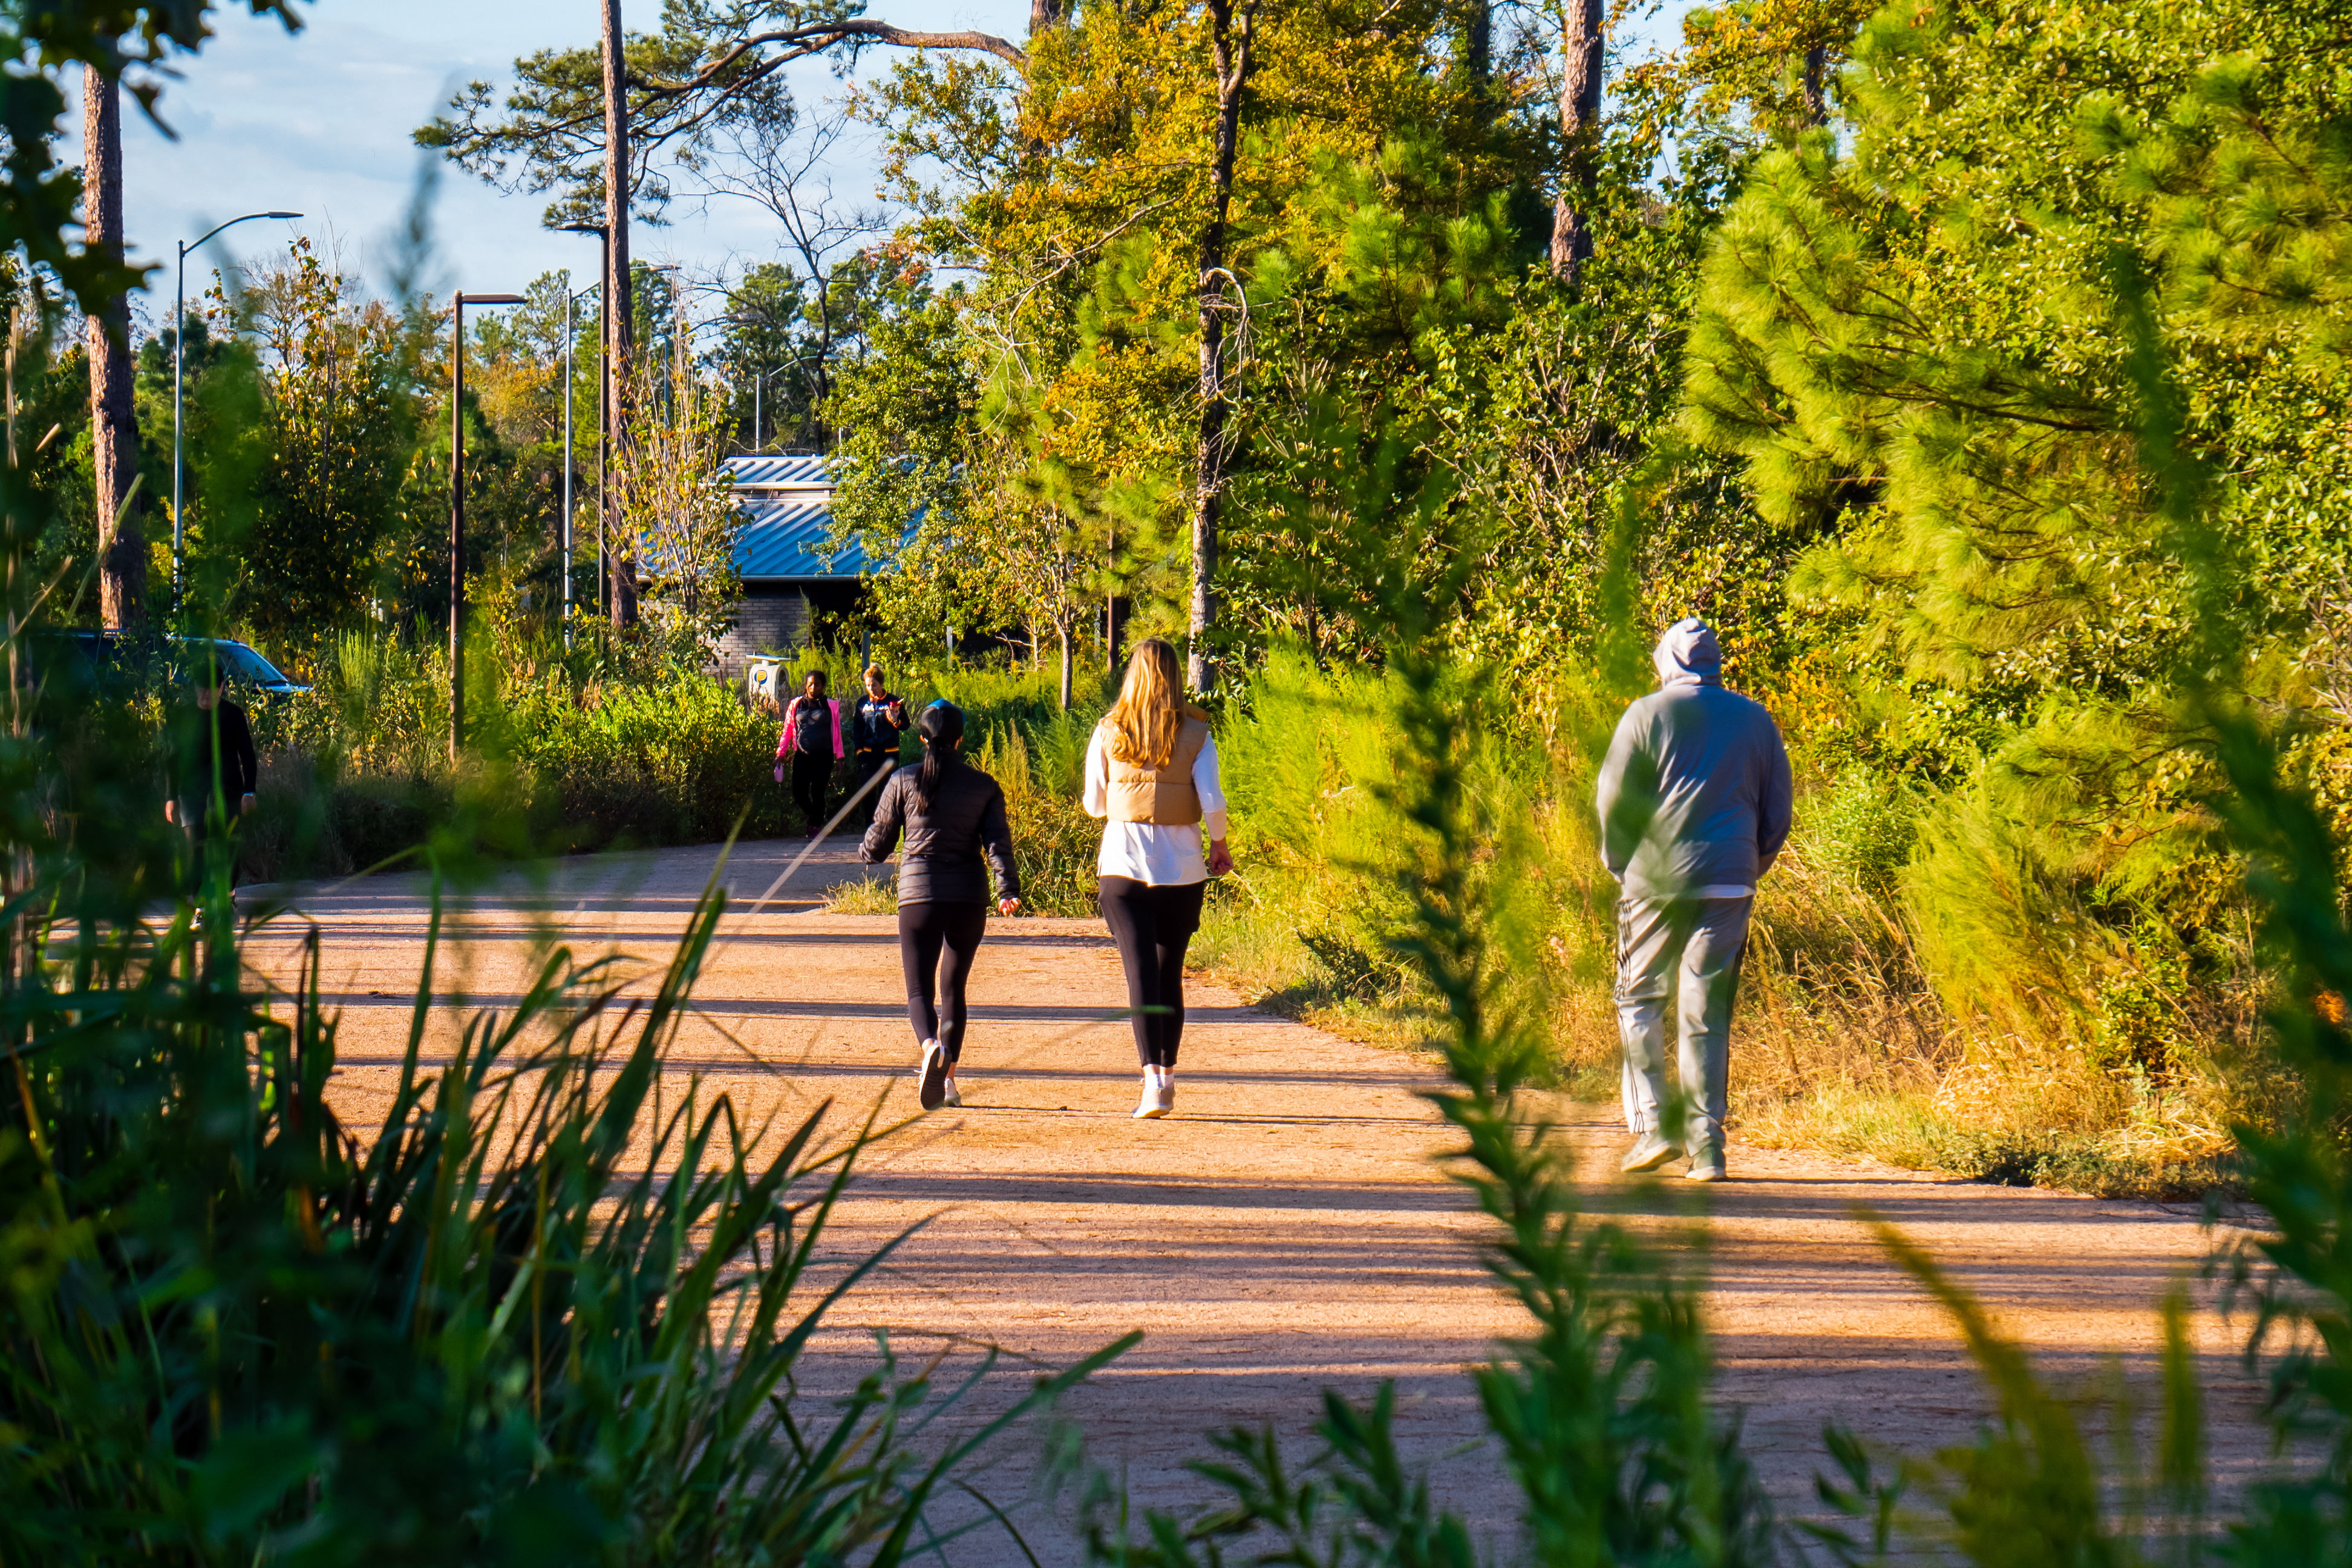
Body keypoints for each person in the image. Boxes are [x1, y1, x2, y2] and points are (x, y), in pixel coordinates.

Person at [1596, 616, 1792, 1183]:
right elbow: (1777, 808)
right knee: (1706, 1012)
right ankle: (1708, 1149)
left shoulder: (1645, 714)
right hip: (1731, 879)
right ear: (1716, 663)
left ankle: (1656, 1128)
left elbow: (1615, 803)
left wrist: (1620, 863)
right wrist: (1750, 864)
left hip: (1654, 880)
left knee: (1638, 998)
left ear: (1664, 662)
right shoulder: (1756, 719)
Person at [1081, 638, 1232, 1120]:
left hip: (1123, 867)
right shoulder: (1197, 732)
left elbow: (1094, 804)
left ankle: (1151, 1082)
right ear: (1175, 676)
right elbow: (1212, 800)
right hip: (1182, 870)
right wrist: (1220, 844)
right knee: (1170, 973)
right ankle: (1167, 1076)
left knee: (1140, 972)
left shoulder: (1108, 731)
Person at [863, 701, 1022, 1111]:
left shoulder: (903, 779)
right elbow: (997, 844)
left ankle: (930, 1046)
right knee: (954, 988)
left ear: (921, 738)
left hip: (919, 896)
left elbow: (878, 845)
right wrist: (1007, 890)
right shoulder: (984, 785)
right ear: (960, 739)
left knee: (919, 988)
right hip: (969, 897)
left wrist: (865, 850)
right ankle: (948, 1083)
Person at [165, 663, 259, 884]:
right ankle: (199, 909)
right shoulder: (184, 717)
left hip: (228, 789)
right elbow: (173, 760)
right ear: (195, 688)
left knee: (230, 846)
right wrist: (170, 796)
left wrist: (249, 792)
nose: (206, 693)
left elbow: (247, 756)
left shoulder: (233, 715)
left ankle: (228, 896)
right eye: (202, 687)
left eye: (212, 688)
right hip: (192, 792)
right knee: (195, 848)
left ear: (222, 688)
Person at [774, 668, 844, 837]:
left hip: (824, 755)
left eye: (817, 684)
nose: (813, 688)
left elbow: (837, 732)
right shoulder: (796, 704)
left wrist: (840, 756)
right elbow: (788, 730)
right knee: (798, 791)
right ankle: (815, 815)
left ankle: (815, 826)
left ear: (823, 686)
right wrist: (781, 753)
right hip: (802, 756)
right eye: (810, 684)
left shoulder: (830, 705)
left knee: (818, 792)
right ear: (805, 686)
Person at [849, 664, 908, 823]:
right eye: (868, 685)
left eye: (874, 685)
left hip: (889, 754)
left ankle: (886, 825)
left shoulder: (893, 701)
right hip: (868, 754)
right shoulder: (862, 703)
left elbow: (906, 725)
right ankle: (870, 827)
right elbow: (857, 729)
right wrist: (859, 752)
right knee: (867, 791)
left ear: (881, 683)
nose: (871, 688)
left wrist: (896, 721)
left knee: (886, 791)